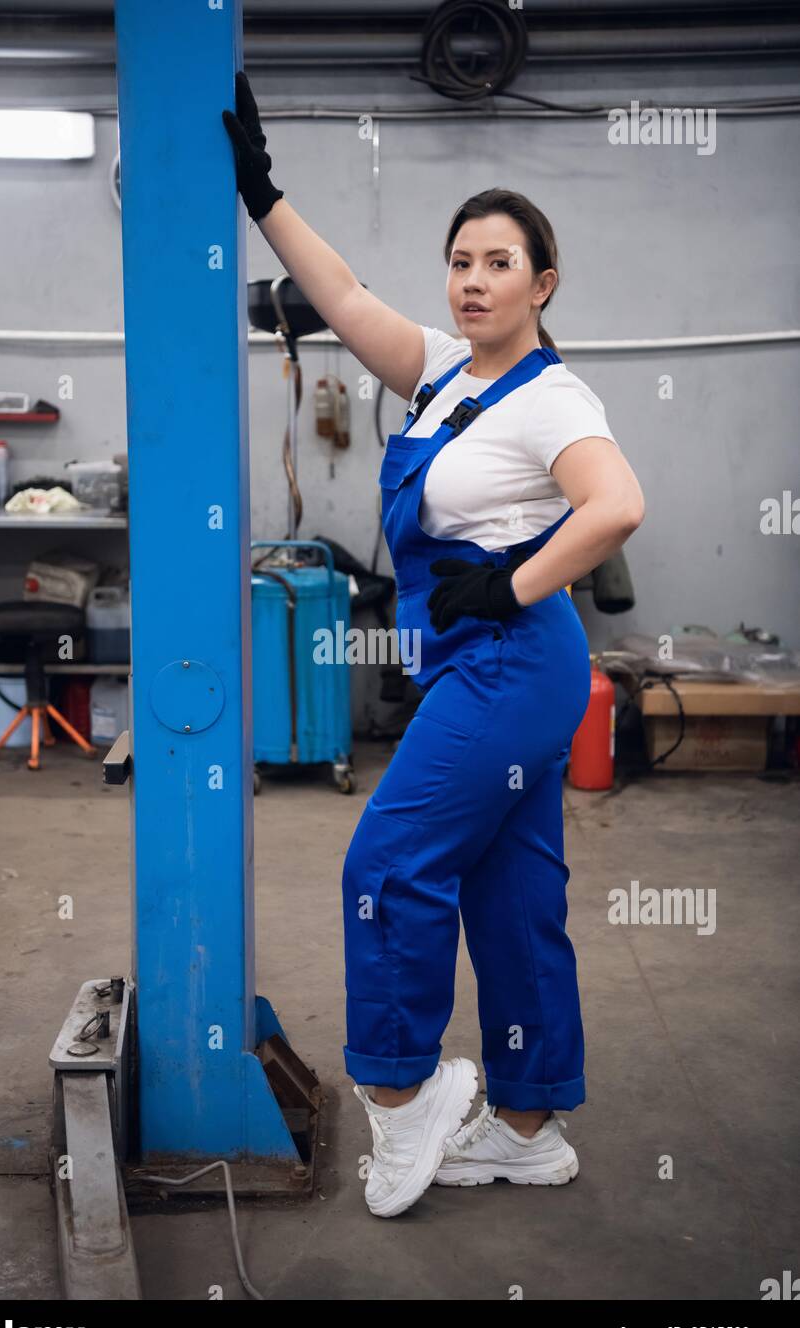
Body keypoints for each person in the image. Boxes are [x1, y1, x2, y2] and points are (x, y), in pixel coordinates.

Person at [223, 72, 645, 1220]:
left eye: (496, 262)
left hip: (512, 659)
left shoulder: (550, 397)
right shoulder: (443, 374)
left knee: (384, 866)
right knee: (512, 893)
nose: (470, 278)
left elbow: (614, 506)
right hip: (493, 664)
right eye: (459, 259)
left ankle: (404, 1098)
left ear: (540, 284)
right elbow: (344, 294)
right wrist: (261, 194)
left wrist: (504, 580)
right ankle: (524, 1126)